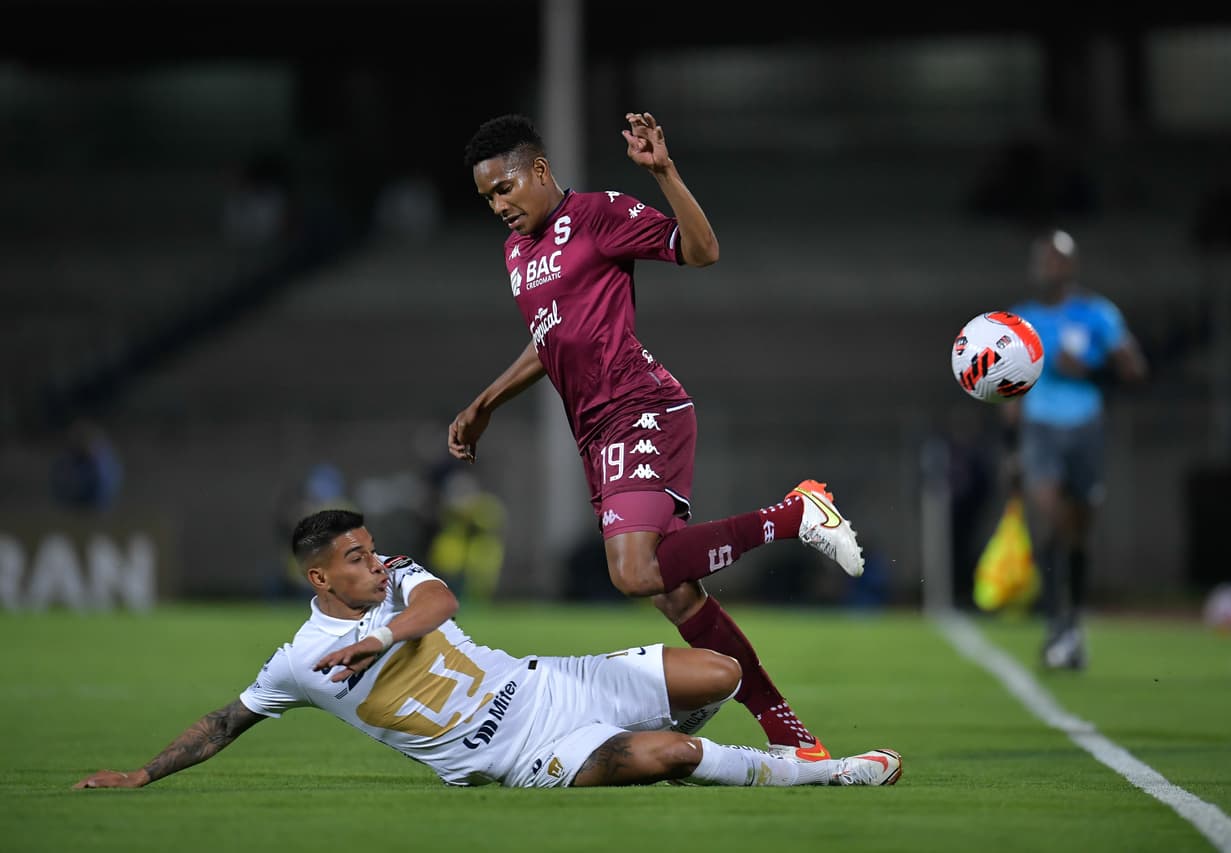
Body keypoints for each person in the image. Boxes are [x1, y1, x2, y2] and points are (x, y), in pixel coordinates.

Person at [448, 112, 865, 760]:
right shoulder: (517, 253)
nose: (498, 206)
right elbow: (551, 338)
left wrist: (665, 172)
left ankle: (793, 515)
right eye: (486, 199)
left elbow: (702, 251)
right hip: (597, 432)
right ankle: (789, 732)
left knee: (634, 572)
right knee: (674, 592)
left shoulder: (599, 215)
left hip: (642, 407)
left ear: (537, 170)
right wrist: (485, 402)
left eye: (503, 188)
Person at [73, 509, 902, 790]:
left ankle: (644, 750)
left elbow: (443, 599)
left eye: (373, 548)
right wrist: (143, 772)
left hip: (551, 681)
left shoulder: (398, 585)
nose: (376, 561)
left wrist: (384, 636)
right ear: (321, 576)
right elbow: (226, 720)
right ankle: (825, 771)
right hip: (522, 750)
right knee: (677, 751)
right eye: (356, 557)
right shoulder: (298, 660)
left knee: (716, 672)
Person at [1002, 229, 1148, 669]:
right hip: (1040, 429)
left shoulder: (1096, 314)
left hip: (1085, 427)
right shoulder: (1018, 323)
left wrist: (1090, 369)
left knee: (1078, 532)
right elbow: (1005, 389)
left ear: (1071, 265)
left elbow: (1135, 368)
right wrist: (1009, 440)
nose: (1050, 267)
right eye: (1043, 259)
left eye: (1057, 259)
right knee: (1052, 515)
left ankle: (1072, 621)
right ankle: (1056, 625)